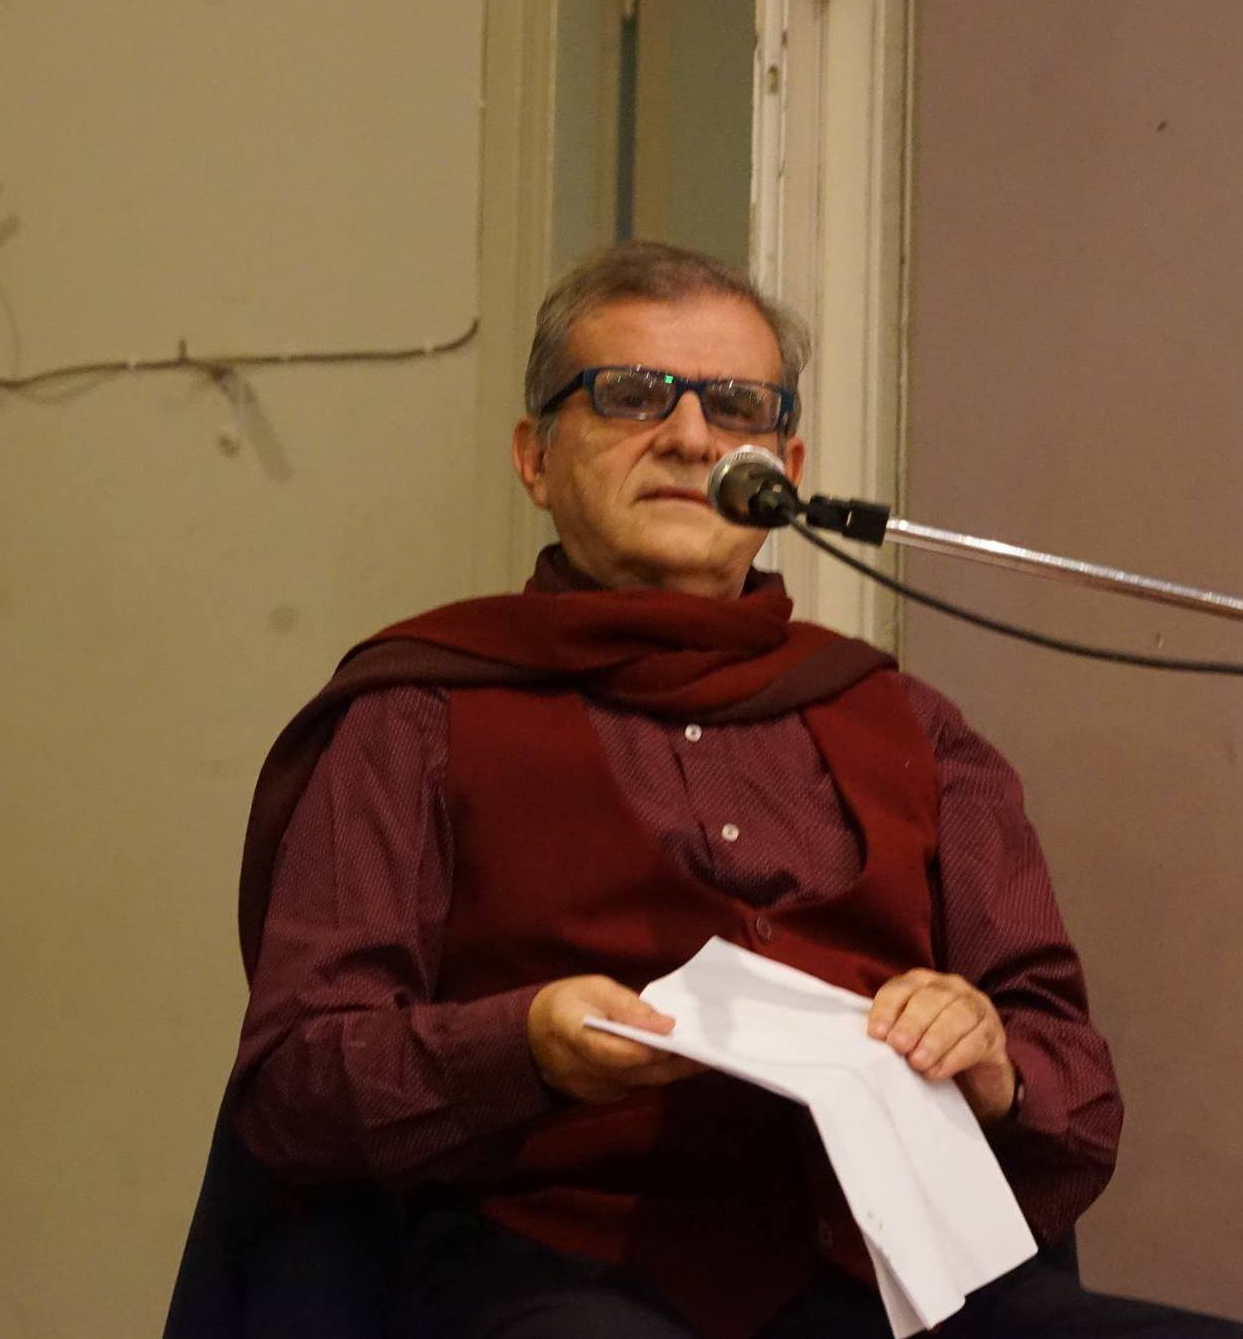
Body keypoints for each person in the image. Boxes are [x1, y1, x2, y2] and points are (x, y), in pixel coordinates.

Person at [227, 242, 1241, 1338]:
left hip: (911, 1287)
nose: (690, 436)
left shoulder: (913, 725)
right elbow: (295, 1083)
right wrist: (521, 1046)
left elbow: (1076, 1087)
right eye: (631, 394)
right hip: (562, 1275)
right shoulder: (417, 713)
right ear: (535, 457)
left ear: (785, 465)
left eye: (736, 407)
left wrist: (993, 1057)